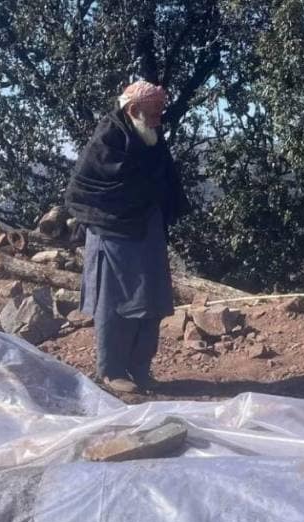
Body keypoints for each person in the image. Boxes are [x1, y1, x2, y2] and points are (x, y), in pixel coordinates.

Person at [65, 80, 191, 393]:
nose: (159, 118)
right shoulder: (107, 140)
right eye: (154, 112)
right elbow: (82, 191)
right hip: (113, 235)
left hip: (147, 233)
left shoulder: (151, 139)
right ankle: (111, 371)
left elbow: (162, 182)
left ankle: (140, 369)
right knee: (115, 305)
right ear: (133, 110)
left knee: (150, 302)